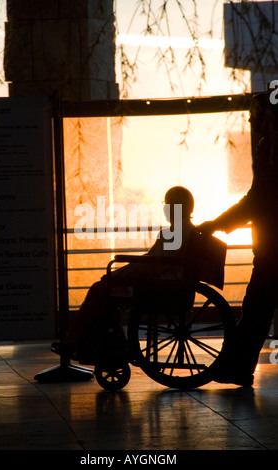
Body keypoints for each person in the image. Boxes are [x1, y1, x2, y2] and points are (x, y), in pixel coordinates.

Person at [52, 186, 211, 363]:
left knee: (100, 290)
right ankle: (112, 346)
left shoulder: (176, 233)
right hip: (163, 286)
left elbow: (154, 265)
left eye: (167, 204)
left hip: (159, 289)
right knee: (104, 291)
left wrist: (118, 275)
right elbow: (153, 262)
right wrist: (120, 274)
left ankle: (80, 343)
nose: (165, 208)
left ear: (175, 207)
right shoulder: (183, 231)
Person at [198, 92, 278, 387]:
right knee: (257, 307)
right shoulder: (269, 147)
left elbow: (257, 201)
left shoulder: (269, 149)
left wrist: (218, 223)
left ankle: (237, 368)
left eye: (253, 114)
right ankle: (236, 367)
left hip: (272, 249)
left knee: (257, 307)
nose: (249, 119)